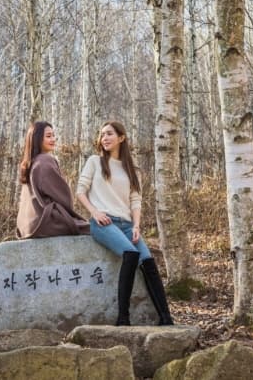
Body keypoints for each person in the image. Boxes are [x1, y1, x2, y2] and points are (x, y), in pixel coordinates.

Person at [76, 120, 173, 326]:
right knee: (131, 255)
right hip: (103, 223)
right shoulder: (95, 161)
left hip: (128, 225)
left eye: (109, 134)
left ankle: (165, 318)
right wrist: (95, 212)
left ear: (122, 138)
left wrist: (136, 226)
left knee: (148, 261)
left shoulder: (132, 169)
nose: (105, 138)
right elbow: (80, 191)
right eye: (102, 135)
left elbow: (135, 200)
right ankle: (123, 318)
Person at [16, 121, 89, 239]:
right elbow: (64, 198)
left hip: (25, 226)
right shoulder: (45, 161)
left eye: (54, 136)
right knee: (96, 229)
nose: (53, 139)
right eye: (48, 136)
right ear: (37, 139)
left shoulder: (30, 162)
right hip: (43, 223)